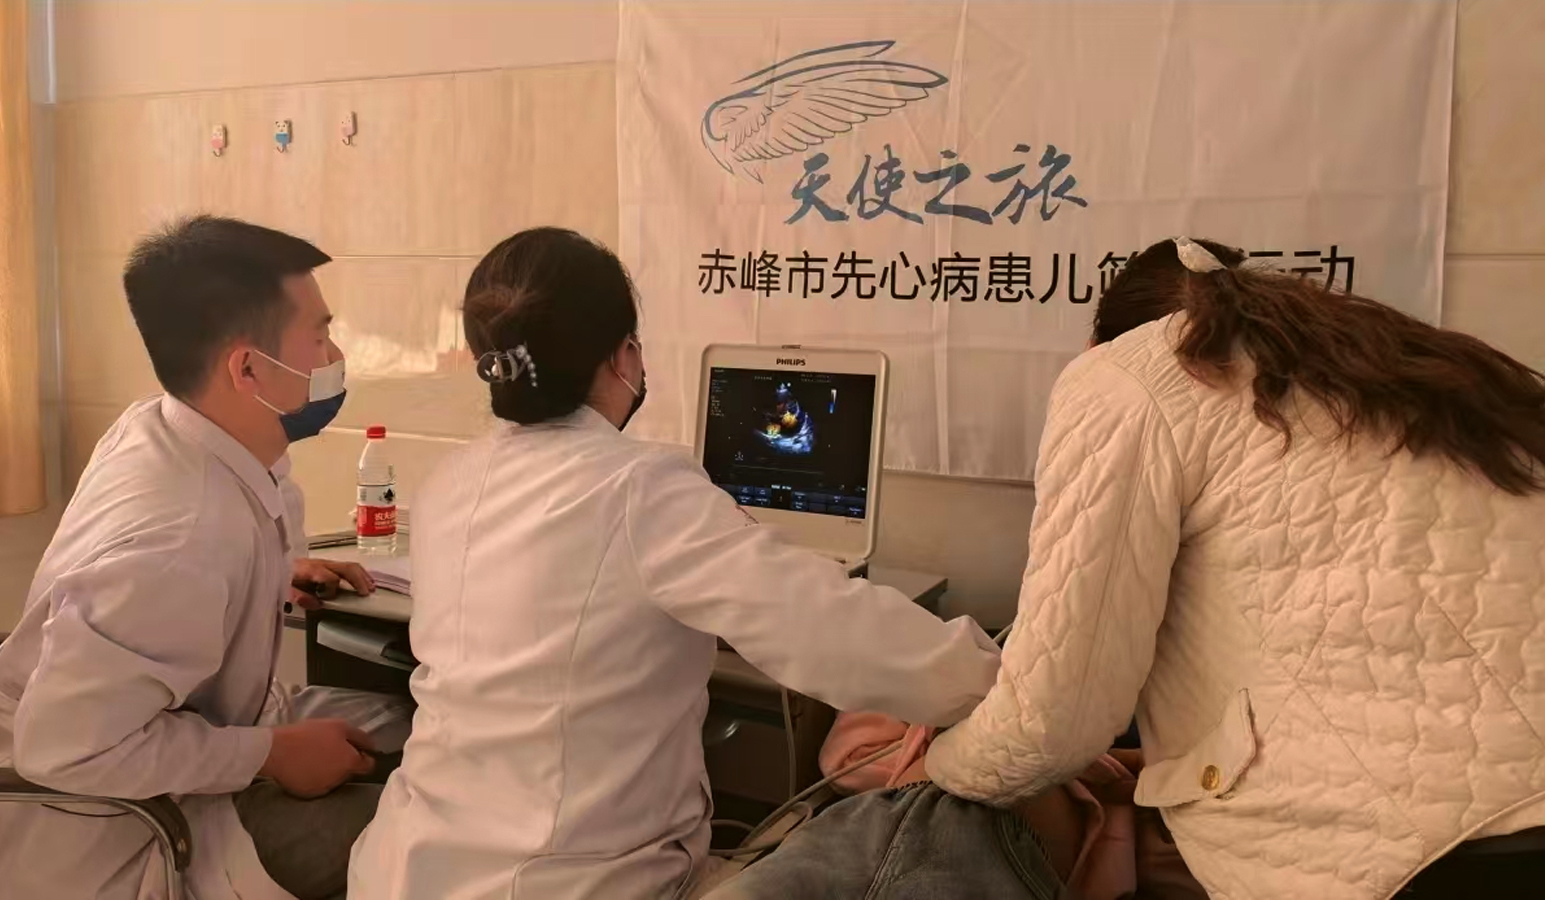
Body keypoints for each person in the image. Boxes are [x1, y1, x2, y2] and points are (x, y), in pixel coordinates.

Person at [348, 228, 1002, 900]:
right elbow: (834, 631)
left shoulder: (450, 480)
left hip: (400, 867)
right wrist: (1001, 681)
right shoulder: (640, 487)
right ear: (623, 356)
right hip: (566, 883)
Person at [919, 237, 1545, 898]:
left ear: (1098, 340)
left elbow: (1051, 722)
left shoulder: (1122, 376)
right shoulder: (1388, 359)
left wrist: (935, 765)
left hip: (1419, 851)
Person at [0, 216, 391, 900]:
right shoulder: (178, 543)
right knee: (428, 818)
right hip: (118, 832)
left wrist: (270, 570)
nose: (334, 354)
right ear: (248, 368)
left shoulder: (167, 428)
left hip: (190, 733)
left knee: (417, 724)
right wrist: (271, 755)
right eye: (319, 335)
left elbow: (194, 556)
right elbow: (66, 750)